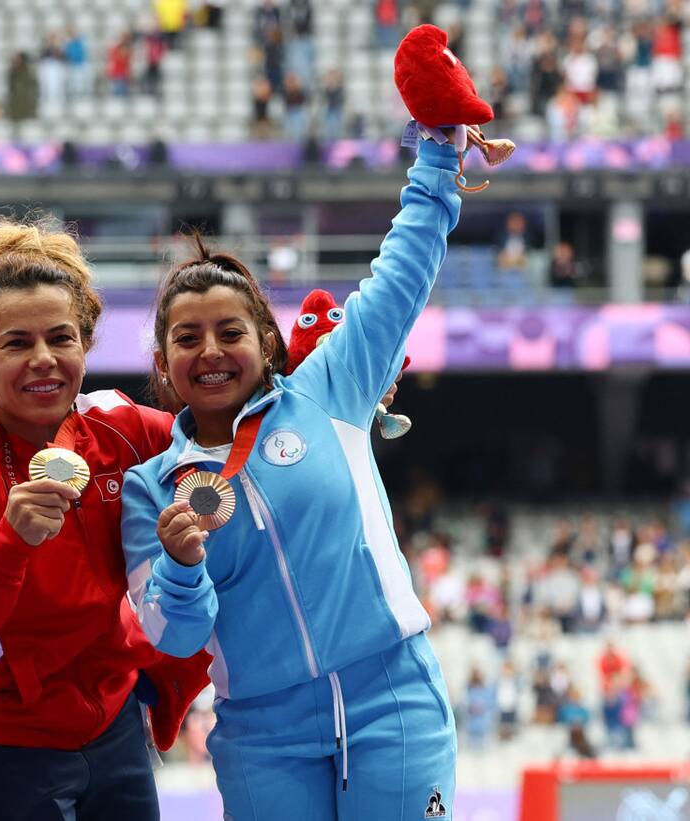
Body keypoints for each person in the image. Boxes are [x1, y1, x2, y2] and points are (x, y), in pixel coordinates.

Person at [121, 134, 465, 820]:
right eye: (187, 339)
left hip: (392, 703)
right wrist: (184, 565)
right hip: (261, 737)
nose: (210, 351)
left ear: (266, 341)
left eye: (230, 331)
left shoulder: (329, 390)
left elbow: (401, 275)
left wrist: (437, 158)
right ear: (163, 361)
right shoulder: (151, 488)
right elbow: (173, 636)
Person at [0, 218, 208, 821]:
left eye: (61, 338)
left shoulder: (123, 430)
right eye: (16, 343)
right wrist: (10, 540)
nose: (43, 360)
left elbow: (223, 443)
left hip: (113, 718)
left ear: (86, 344)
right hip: (2, 740)